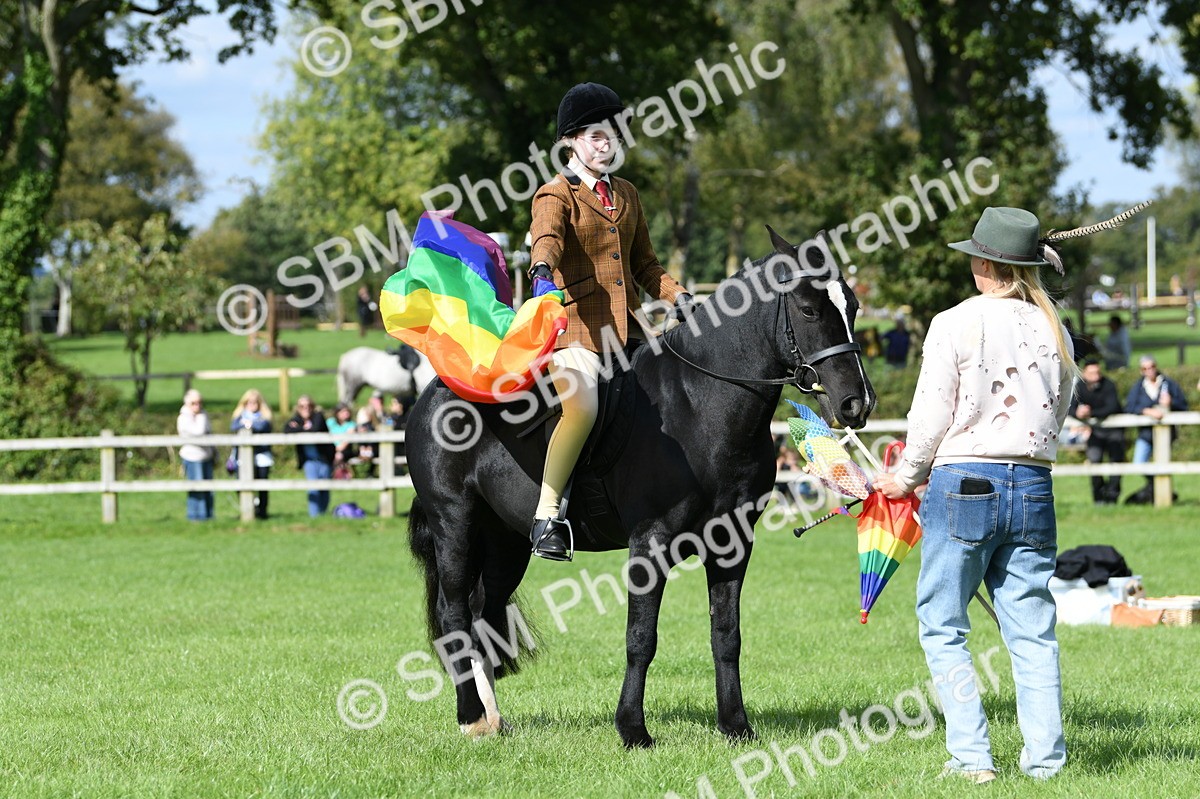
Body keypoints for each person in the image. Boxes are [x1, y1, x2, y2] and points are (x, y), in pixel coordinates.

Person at [875, 207, 1074, 783]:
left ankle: (971, 759)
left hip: (963, 481)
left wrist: (907, 475)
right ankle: (1046, 764)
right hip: (1032, 481)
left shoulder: (954, 321)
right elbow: (1059, 408)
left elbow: (931, 414)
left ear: (984, 263)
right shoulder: (1054, 326)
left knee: (943, 624)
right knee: (1033, 631)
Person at [525, 82, 692, 560]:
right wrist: (541, 271)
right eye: (597, 136)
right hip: (576, 330)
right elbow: (547, 239)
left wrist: (680, 296)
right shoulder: (556, 193)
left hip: (631, 332)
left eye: (613, 135)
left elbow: (646, 265)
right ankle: (547, 514)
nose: (607, 144)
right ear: (571, 141)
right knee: (582, 407)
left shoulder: (627, 194)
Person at [1124, 354, 1188, 499]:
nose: (1149, 370)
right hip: (1146, 434)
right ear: (1141, 371)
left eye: (1152, 366)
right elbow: (1129, 407)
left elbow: (1183, 405)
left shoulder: (1169, 384)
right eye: (1145, 368)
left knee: (1163, 463)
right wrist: (1146, 410)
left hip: (1167, 434)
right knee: (1139, 463)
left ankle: (1163, 494)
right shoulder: (1138, 387)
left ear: (1156, 366)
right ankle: (1157, 487)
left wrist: (1171, 403)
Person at [1068, 359, 1125, 505]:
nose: (1096, 375)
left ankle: (1112, 497)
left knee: (1115, 463)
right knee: (1094, 461)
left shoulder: (1109, 385)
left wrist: (1091, 413)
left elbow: (1112, 407)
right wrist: (1078, 413)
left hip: (1114, 431)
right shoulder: (1080, 386)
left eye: (1098, 372)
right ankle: (1098, 497)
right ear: (1084, 374)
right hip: (1096, 432)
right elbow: (1071, 408)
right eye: (1092, 373)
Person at [284, 395, 336, 516]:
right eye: (302, 406)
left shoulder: (318, 416)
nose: (306, 408)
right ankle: (314, 516)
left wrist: (299, 429)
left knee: (324, 487)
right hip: (309, 461)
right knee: (313, 487)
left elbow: (315, 429)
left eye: (309, 406)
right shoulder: (297, 419)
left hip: (324, 459)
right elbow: (287, 430)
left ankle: (323, 515)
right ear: (298, 408)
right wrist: (304, 428)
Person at [230, 389, 274, 519]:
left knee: (262, 484)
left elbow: (262, 426)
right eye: (249, 402)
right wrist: (247, 424)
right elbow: (233, 426)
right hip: (243, 457)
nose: (252, 405)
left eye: (255, 402)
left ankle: (262, 512)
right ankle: (249, 509)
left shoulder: (264, 417)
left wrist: (249, 424)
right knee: (242, 484)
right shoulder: (239, 416)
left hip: (261, 456)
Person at [177, 389, 215, 521]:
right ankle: (196, 517)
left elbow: (209, 434)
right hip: (192, 458)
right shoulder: (184, 418)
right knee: (196, 488)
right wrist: (201, 417)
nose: (197, 406)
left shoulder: (203, 415)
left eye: (199, 402)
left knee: (209, 488)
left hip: (206, 456)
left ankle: (209, 516)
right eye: (193, 403)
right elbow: (199, 431)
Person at [327, 402, 357, 468]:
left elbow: (346, 442)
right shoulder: (330, 422)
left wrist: (336, 449)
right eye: (344, 411)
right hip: (331, 448)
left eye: (347, 411)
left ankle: (333, 472)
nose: (347, 413)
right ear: (337, 413)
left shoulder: (351, 424)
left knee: (338, 456)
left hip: (345, 450)